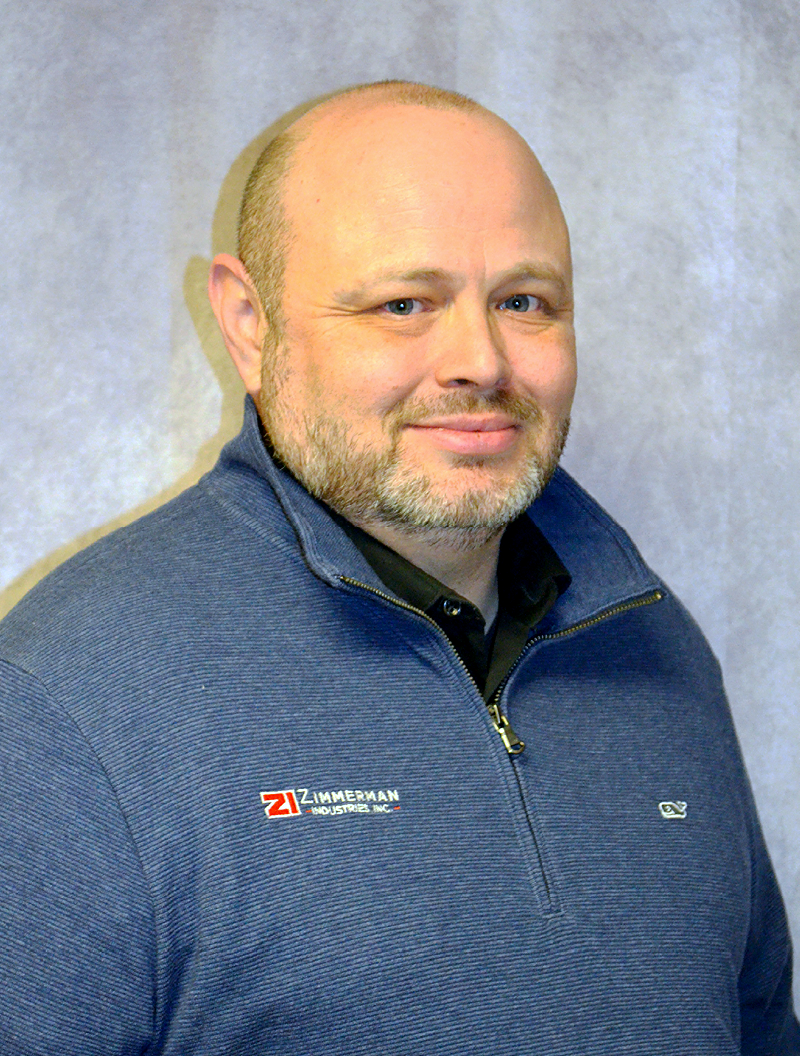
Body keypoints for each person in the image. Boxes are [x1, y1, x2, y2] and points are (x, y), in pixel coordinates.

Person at [0, 80, 797, 1056]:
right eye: (403, 303)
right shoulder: (67, 695)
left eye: (523, 300)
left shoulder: (655, 649)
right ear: (248, 323)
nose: (480, 360)